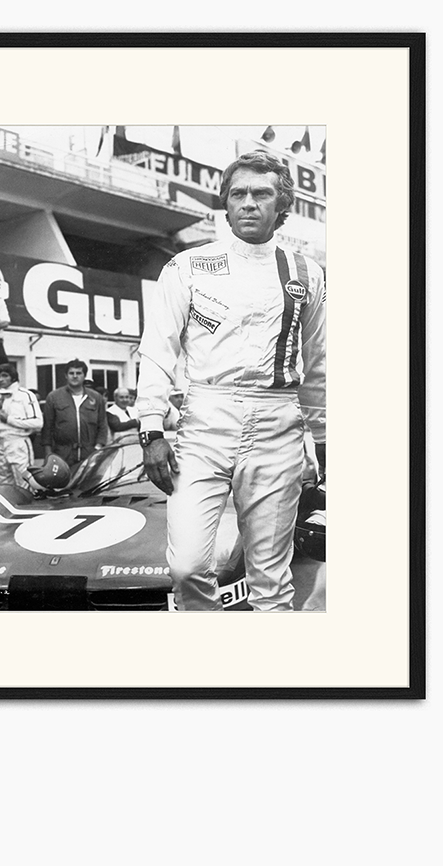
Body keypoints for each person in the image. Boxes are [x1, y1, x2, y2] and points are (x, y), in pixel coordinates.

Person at [137, 151, 326, 612]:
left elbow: (319, 364)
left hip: (278, 423)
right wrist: (151, 429)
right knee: (187, 566)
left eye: (261, 194)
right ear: (225, 203)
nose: (248, 203)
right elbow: (158, 349)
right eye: (238, 194)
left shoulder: (307, 272)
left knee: (270, 581)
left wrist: (324, 440)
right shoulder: (187, 265)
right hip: (205, 418)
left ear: (282, 205)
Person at [41, 359, 109, 468]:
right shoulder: (54, 397)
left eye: (79, 373)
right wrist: (48, 454)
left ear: (84, 375)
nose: (75, 376)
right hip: (62, 453)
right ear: (66, 375)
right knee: (64, 479)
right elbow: (47, 428)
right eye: (71, 373)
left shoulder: (96, 397)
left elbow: (102, 425)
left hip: (89, 453)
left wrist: (98, 448)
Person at [0, 362, 43, 488]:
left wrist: (9, 420)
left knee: (24, 484)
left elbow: (38, 423)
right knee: (3, 486)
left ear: (13, 377)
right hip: (0, 443)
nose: (0, 379)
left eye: (5, 376)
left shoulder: (25, 395)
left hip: (18, 443)